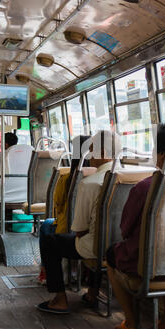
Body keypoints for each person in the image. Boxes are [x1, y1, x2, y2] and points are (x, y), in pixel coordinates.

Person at [106, 123, 165, 329]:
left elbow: (126, 229)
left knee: (111, 255)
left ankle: (132, 322)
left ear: (163, 155)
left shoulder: (145, 187)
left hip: (149, 263)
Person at [37, 129, 122, 314]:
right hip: (121, 244)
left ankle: (59, 298)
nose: (89, 156)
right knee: (98, 238)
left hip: (96, 247)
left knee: (51, 241)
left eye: (92, 150)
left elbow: (79, 230)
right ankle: (92, 292)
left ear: (103, 153)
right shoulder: (132, 178)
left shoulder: (89, 183)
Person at [37, 134, 92, 285]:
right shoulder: (103, 180)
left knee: (47, 225)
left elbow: (58, 207)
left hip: (68, 230)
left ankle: (46, 272)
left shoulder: (67, 179)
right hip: (92, 232)